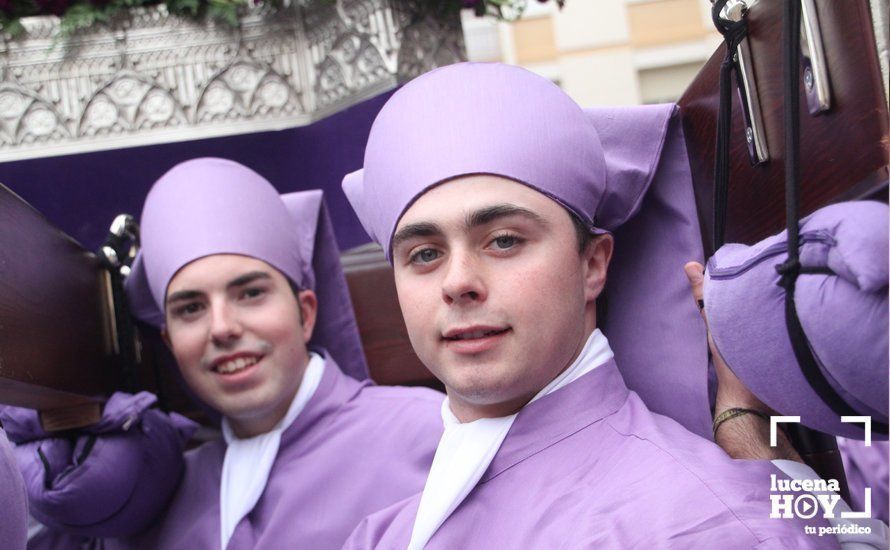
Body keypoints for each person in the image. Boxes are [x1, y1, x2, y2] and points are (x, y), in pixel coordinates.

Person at [339, 62, 842, 548]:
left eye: (505, 241)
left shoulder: (702, 523)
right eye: (424, 253)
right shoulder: (382, 535)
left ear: (592, 265)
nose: (458, 282)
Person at [3, 158, 443, 549]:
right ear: (172, 342)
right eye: (191, 308)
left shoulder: (430, 437)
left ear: (305, 312)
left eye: (250, 293)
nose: (222, 328)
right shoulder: (159, 498)